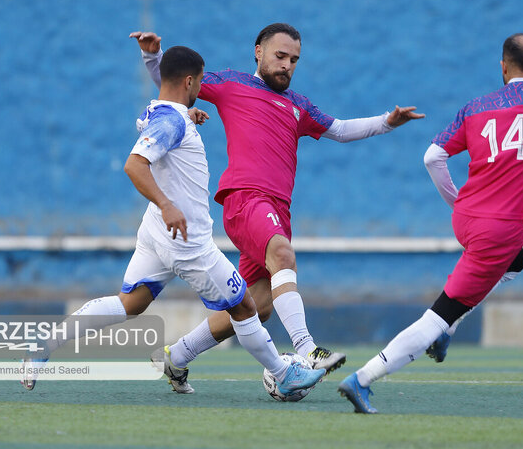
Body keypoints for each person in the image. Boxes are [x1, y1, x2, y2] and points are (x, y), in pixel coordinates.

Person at [338, 25, 523, 413]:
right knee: (439, 314)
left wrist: (456, 202)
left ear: (503, 67)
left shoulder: (476, 107)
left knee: (516, 263)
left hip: (468, 220)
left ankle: (449, 328)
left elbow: (432, 156)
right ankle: (363, 378)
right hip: (501, 230)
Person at [129, 23, 425, 391]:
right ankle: (307, 350)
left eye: (294, 60)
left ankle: (176, 357)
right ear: (259, 52)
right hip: (245, 199)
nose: (287, 65)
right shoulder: (232, 84)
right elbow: (175, 84)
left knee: (257, 305)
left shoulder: (298, 105)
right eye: (280, 56)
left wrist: (387, 122)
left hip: (277, 210)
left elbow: (341, 129)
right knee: (282, 254)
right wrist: (151, 55)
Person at [22, 45, 326, 396]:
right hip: (185, 240)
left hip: (156, 233)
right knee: (245, 306)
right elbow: (135, 164)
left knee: (132, 303)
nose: (201, 90)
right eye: (198, 83)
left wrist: (188, 114)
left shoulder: (162, 113)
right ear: (189, 81)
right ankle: (283, 373)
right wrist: (167, 204)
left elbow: (162, 129)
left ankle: (46, 343)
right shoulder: (171, 121)